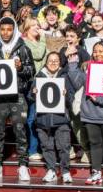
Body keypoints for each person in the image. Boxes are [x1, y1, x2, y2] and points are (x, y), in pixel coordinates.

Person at [0, 17, 35, 181]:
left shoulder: (23, 48)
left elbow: (31, 70)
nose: (6, 32)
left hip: (17, 96)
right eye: (3, 29)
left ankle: (23, 165)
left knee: (20, 131)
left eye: (9, 29)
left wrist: (20, 68)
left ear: (14, 30)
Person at [67, 42, 103, 186]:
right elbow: (76, 82)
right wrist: (73, 63)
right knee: (95, 143)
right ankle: (96, 172)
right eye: (95, 51)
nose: (97, 54)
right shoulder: (87, 67)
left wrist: (100, 99)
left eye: (101, 51)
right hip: (90, 113)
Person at [30, 52, 73, 183]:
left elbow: (72, 98)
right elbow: (30, 96)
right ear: (46, 62)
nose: (53, 63)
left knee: (64, 146)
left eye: (56, 61)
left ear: (60, 63)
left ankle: (65, 171)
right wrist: (33, 93)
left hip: (61, 119)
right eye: (50, 60)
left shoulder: (65, 77)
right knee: (46, 146)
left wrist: (66, 95)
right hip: (43, 119)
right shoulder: (39, 77)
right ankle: (51, 170)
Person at [21, 18, 48, 161]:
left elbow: (47, 58)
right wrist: (43, 37)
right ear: (26, 29)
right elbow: (38, 54)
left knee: (36, 117)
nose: (38, 28)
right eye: (34, 26)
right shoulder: (25, 42)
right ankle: (31, 150)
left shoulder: (40, 42)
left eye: (39, 25)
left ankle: (35, 148)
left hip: (42, 82)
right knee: (30, 117)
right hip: (30, 84)